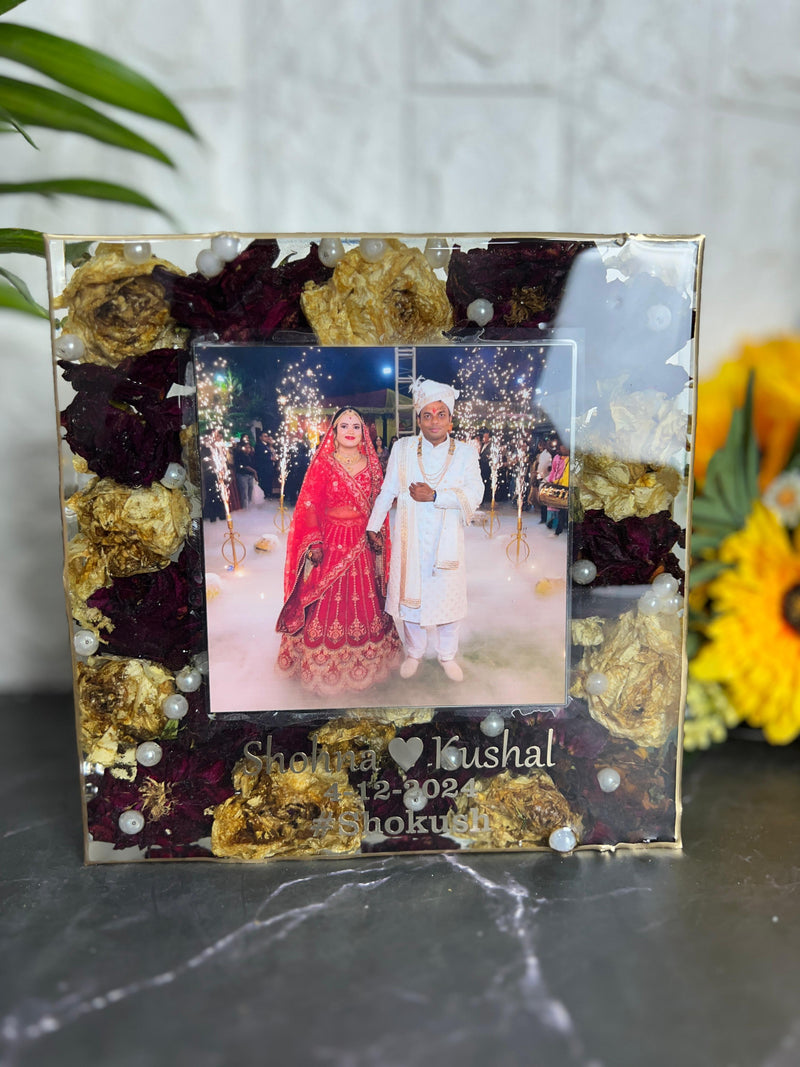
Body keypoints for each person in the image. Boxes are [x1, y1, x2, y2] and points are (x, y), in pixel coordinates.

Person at [276, 407, 402, 695]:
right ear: (333, 431)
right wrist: (315, 541)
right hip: (331, 542)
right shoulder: (324, 464)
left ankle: (370, 665)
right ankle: (319, 667)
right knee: (323, 600)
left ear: (364, 433)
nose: (350, 430)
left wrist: (378, 536)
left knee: (366, 602)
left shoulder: (372, 466)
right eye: (344, 425)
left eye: (356, 426)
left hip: (362, 544)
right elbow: (309, 504)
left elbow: (379, 508)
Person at [366, 377, 484, 682]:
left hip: (447, 542)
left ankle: (447, 656)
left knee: (449, 599)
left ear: (451, 419)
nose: (434, 421)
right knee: (411, 602)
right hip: (411, 539)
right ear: (418, 418)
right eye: (427, 414)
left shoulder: (466, 453)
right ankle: (415, 653)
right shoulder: (403, 448)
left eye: (440, 414)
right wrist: (373, 525)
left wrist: (435, 496)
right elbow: (388, 489)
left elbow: (475, 492)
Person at [232, 433, 257, 509]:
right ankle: (245, 510)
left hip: (250, 475)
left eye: (247, 437)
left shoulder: (249, 455)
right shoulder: (239, 453)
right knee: (244, 494)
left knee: (250, 493)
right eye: (245, 437)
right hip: (242, 475)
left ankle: (249, 508)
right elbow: (244, 465)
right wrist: (254, 472)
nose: (246, 438)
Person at [254, 430, 275, 500]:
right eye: (264, 436)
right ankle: (265, 495)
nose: (266, 438)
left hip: (269, 468)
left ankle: (269, 494)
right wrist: (270, 458)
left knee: (269, 482)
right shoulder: (259, 445)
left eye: (267, 436)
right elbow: (260, 456)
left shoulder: (267, 446)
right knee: (264, 482)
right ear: (260, 437)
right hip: (263, 468)